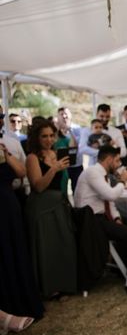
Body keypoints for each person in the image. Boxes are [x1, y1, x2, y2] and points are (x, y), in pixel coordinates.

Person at [25, 121, 77, 298]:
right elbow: (38, 186)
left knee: (63, 244)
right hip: (41, 207)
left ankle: (64, 284)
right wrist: (54, 169)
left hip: (58, 203)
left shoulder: (56, 153)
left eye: (51, 135)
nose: (48, 139)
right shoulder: (32, 158)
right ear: (37, 138)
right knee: (46, 248)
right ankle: (49, 289)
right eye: (44, 136)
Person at [73, 145, 127, 292]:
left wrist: (117, 218)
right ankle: (126, 269)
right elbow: (110, 195)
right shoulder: (92, 172)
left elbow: (110, 203)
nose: (119, 164)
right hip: (91, 221)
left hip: (102, 218)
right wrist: (123, 181)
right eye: (117, 160)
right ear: (109, 159)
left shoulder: (103, 176)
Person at [0, 139, 44, 324]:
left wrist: (6, 155)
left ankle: (22, 302)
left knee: (15, 249)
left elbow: (21, 172)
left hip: (8, 203)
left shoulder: (5, 145)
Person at [56, 107, 83, 191]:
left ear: (70, 115)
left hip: (76, 166)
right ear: (58, 117)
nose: (64, 116)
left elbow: (78, 146)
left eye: (66, 113)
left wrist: (69, 130)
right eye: (61, 114)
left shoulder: (78, 129)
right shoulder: (55, 130)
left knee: (78, 190)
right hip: (62, 166)